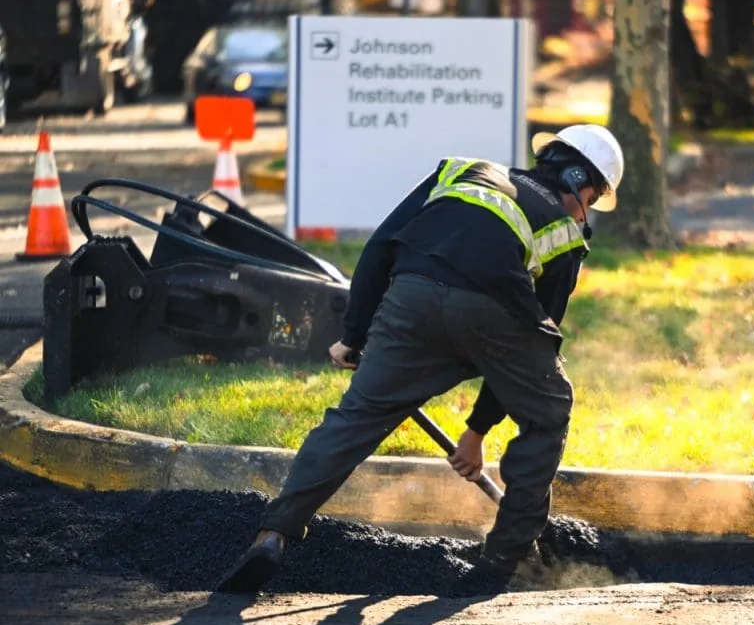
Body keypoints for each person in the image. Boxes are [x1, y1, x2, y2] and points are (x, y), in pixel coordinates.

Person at [216, 124, 625, 593]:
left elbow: (380, 249)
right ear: (579, 180)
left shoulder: (460, 172)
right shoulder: (565, 235)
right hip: (496, 317)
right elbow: (537, 343)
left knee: (357, 417)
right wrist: (480, 428)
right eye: (591, 201)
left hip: (411, 301)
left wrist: (354, 334)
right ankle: (506, 560)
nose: (585, 212)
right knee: (549, 411)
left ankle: (273, 534)